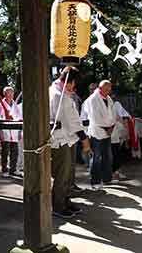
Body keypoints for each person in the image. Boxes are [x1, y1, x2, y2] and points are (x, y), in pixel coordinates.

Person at [49, 67, 90, 218]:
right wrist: (84, 138)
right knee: (62, 174)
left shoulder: (63, 93)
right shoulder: (58, 95)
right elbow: (71, 121)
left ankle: (66, 201)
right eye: (74, 83)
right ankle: (58, 206)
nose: (74, 87)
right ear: (70, 81)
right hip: (61, 139)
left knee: (68, 175)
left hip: (68, 138)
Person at [85, 80, 116, 189]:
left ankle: (107, 178)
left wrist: (112, 126)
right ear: (100, 88)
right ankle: (95, 181)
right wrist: (106, 127)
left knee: (108, 156)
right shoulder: (93, 99)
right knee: (96, 157)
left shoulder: (109, 99)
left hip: (108, 132)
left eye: (109, 89)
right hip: (97, 132)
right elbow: (94, 117)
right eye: (106, 89)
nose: (108, 91)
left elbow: (113, 114)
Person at [0, 86, 22, 177]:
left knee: (15, 151)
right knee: (5, 151)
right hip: (5, 130)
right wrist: (4, 118)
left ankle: (13, 169)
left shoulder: (15, 105)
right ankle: (4, 169)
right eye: (8, 93)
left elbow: (19, 116)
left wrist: (17, 119)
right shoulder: (0, 105)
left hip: (14, 131)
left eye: (12, 93)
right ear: (4, 94)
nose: (10, 95)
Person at [110, 92, 131, 182]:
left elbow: (125, 115)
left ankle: (116, 172)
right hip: (105, 133)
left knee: (115, 152)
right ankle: (112, 174)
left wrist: (125, 129)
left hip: (115, 132)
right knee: (111, 153)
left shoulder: (116, 104)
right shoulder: (98, 103)